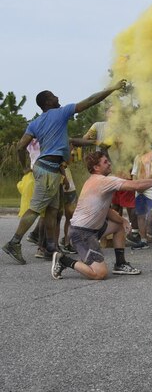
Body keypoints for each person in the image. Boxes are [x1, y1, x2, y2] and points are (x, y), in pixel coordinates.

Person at [4, 80, 127, 264]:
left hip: (51, 169)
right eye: (54, 96)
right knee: (36, 208)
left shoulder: (35, 123)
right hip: (48, 170)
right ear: (47, 102)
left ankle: (51, 247)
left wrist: (25, 168)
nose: (58, 98)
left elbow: (21, 147)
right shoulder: (60, 113)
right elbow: (91, 100)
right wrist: (112, 88)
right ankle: (14, 243)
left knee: (53, 211)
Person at [51, 151, 152, 280]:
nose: (109, 164)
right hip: (82, 234)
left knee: (118, 226)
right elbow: (137, 186)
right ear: (96, 167)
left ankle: (120, 264)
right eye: (105, 162)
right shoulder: (104, 181)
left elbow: (106, 210)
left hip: (90, 230)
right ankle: (63, 260)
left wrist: (123, 220)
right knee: (100, 273)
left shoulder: (94, 180)